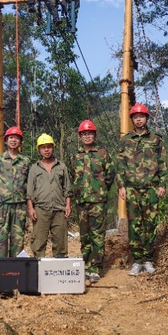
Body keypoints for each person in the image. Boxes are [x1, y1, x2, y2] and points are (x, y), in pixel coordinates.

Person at [116, 103, 168, 276]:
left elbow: (162, 163)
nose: (138, 119)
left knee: (150, 225)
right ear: (132, 119)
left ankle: (148, 260)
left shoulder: (156, 139)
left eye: (141, 116)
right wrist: (121, 186)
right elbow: (120, 165)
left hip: (151, 188)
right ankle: (137, 261)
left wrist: (162, 184)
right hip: (132, 189)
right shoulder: (126, 140)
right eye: (135, 117)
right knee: (134, 226)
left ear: (146, 118)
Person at [71, 120, 115, 283]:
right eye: (84, 134)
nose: (87, 136)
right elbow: (73, 176)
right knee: (84, 236)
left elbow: (110, 175)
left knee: (97, 235)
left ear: (94, 135)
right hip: (81, 202)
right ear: (80, 136)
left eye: (90, 133)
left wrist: (101, 190)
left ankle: (96, 268)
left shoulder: (103, 154)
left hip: (98, 202)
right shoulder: (75, 156)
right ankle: (85, 265)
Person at [0, 126, 31, 258]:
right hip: (2, 205)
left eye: (16, 138)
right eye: (11, 137)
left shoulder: (25, 161)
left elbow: (29, 184)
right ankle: (0, 271)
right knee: (0, 239)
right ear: (6, 140)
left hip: (19, 205)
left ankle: (17, 272)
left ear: (20, 141)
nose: (13, 140)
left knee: (18, 239)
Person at [27, 133, 72, 258]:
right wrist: (31, 208)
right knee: (38, 241)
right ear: (39, 149)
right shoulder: (34, 169)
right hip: (41, 210)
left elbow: (67, 188)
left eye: (49, 147)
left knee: (60, 242)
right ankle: (38, 269)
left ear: (53, 148)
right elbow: (29, 191)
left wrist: (68, 205)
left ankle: (59, 269)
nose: (46, 150)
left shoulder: (61, 167)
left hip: (59, 210)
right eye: (43, 147)